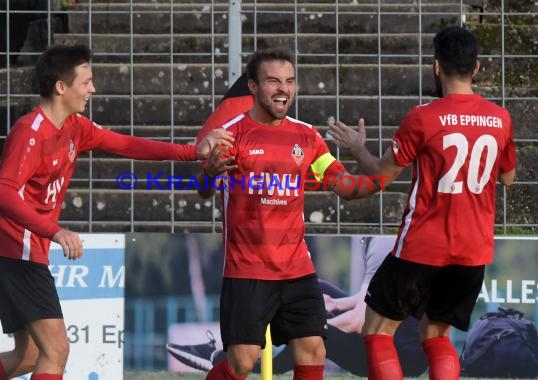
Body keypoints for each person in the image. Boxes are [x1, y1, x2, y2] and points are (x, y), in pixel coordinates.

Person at [0, 44, 233, 380]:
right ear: (61, 87)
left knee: (29, 355)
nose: (92, 89)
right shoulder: (29, 132)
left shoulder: (76, 127)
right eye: (86, 82)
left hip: (21, 249)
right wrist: (57, 231)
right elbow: (4, 194)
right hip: (14, 248)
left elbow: (127, 145)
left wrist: (193, 152)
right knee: (56, 350)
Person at [327, 26, 516, 380]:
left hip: (423, 247)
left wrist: (356, 148)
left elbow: (381, 175)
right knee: (437, 335)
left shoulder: (424, 118)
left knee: (378, 330)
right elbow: (507, 177)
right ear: (476, 68)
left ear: (436, 67)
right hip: (472, 252)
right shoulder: (500, 119)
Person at [197, 47, 377, 380]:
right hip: (247, 269)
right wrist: (209, 171)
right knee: (241, 363)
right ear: (253, 87)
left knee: (313, 349)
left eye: (290, 81)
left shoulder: (306, 137)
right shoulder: (231, 135)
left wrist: (373, 165)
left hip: (297, 268)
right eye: (273, 81)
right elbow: (205, 188)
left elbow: (345, 185)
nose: (284, 89)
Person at [166, 236, 427, 376]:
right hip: (393, 337)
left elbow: (360, 321)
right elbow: (368, 298)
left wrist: (302, 328)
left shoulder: (384, 242)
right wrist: (334, 304)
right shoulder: (384, 235)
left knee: (310, 330)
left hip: (400, 357)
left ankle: (235, 358)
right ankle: (232, 349)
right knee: (317, 291)